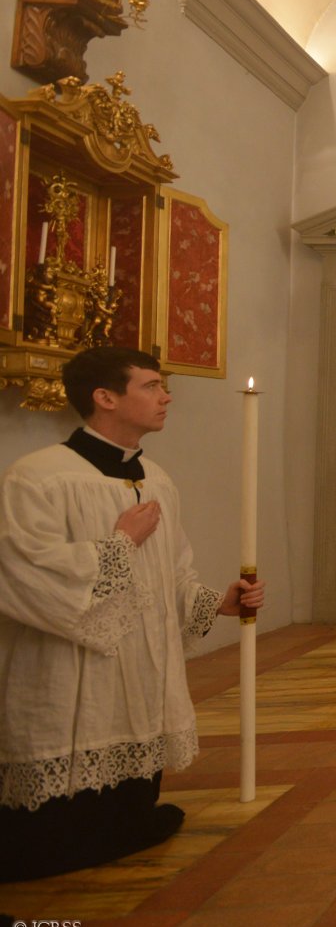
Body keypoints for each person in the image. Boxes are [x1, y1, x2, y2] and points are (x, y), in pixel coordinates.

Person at [0, 347, 264, 882]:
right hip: (68, 659)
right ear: (105, 397)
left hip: (140, 659)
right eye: (151, 386)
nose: (166, 397)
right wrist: (119, 544)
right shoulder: (39, 477)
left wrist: (216, 602)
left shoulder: (156, 478)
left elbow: (173, 571)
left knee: (132, 784)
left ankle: (127, 822)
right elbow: (22, 571)